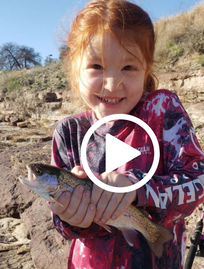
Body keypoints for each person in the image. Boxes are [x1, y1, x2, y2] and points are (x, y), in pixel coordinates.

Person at [50, 0, 204, 268]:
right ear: (74, 70)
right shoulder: (68, 132)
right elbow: (62, 226)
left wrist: (140, 188)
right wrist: (70, 218)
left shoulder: (162, 110)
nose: (112, 83)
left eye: (128, 68)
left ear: (147, 69)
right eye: (96, 67)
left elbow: (198, 180)